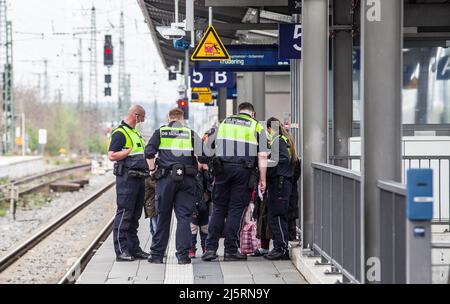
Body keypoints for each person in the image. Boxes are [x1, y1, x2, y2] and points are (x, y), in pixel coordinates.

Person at [202, 102, 269, 262]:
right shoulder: (257, 126)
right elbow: (263, 155)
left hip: (222, 170)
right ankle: (231, 250)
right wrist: (262, 179)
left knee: (218, 209)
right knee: (236, 210)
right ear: (253, 113)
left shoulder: (225, 122)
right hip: (243, 172)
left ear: (239, 112)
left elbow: (207, 146)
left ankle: (210, 249)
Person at [145, 108, 203, 265]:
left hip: (166, 179)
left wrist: (152, 171)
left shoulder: (161, 132)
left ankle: (157, 255)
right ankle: (183, 256)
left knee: (163, 217)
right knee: (184, 218)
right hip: (187, 180)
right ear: (182, 119)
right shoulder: (190, 134)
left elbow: (149, 153)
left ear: (169, 118)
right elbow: (203, 157)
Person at [108, 105, 149, 262]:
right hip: (126, 179)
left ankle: (134, 248)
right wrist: (126, 152)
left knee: (134, 216)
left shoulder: (134, 132)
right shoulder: (120, 133)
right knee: (125, 214)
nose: (143, 121)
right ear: (136, 115)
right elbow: (111, 156)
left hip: (138, 178)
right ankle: (121, 250)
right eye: (143, 117)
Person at [264, 117, 299, 260]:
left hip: (279, 183)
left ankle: (281, 248)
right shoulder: (284, 140)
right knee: (278, 216)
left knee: (276, 216)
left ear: (269, 129)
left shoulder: (277, 141)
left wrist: (266, 161)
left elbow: (282, 159)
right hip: (283, 183)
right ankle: (280, 247)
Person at [189, 166, 211, 258]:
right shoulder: (191, 173)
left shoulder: (204, 173)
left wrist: (207, 170)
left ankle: (204, 248)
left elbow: (209, 185)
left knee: (204, 227)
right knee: (193, 228)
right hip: (193, 202)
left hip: (204, 203)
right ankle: (191, 248)